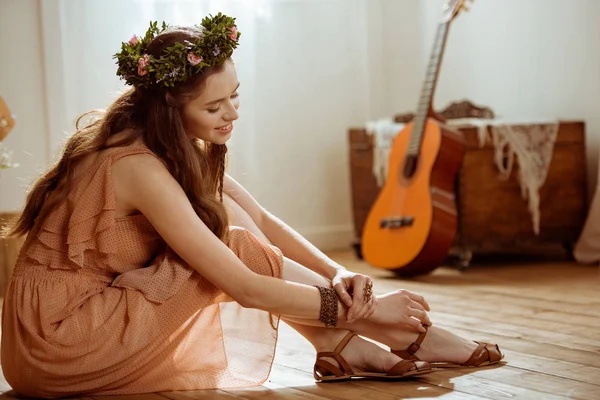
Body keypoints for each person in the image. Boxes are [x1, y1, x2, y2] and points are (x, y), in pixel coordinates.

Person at [0, 13, 503, 398]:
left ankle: (345, 346)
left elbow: (261, 220)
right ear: (170, 106)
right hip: (59, 343)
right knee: (236, 250)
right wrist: (361, 311)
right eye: (214, 107)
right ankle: (399, 336)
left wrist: (347, 278)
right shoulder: (136, 166)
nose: (232, 114)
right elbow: (242, 284)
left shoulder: (165, 145)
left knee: (240, 225)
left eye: (235, 97)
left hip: (59, 331)